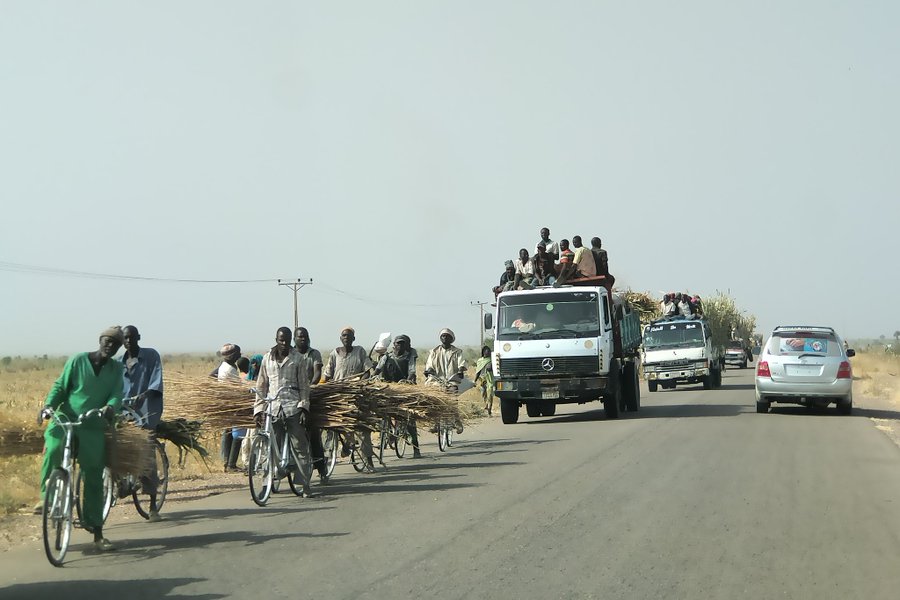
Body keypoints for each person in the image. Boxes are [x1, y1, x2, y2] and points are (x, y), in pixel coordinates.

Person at [36, 326, 125, 552]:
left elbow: (117, 393)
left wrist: (111, 407)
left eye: (115, 344)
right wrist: (48, 406)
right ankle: (46, 497)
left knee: (93, 473)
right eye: (107, 341)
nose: (110, 346)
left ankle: (96, 530)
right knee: (54, 446)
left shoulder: (116, 368)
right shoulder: (77, 361)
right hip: (66, 417)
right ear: (100, 340)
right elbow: (60, 386)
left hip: (93, 423)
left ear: (119, 347)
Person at [253, 326, 313, 496]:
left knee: (299, 446)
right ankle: (267, 483)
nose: (284, 343)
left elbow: (304, 385)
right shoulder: (267, 359)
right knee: (270, 447)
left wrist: (304, 407)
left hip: (292, 406)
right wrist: (258, 409)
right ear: (276, 340)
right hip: (272, 408)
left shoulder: (298, 358)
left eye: (287, 340)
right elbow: (261, 385)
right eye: (281, 340)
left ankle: (304, 484)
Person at [120, 325, 164, 522]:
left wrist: (144, 395)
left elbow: (156, 381)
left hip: (147, 411)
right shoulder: (117, 362)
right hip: (124, 411)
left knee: (147, 453)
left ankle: (153, 505)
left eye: (131, 337)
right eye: (125, 338)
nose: (128, 341)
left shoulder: (151, 356)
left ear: (138, 338)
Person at [323, 327, 376, 470]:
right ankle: (327, 460)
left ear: (354, 338)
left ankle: (369, 461)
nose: (346, 337)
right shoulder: (334, 353)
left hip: (356, 395)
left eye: (349, 335)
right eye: (344, 335)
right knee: (333, 427)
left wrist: (360, 383)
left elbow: (367, 371)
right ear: (340, 338)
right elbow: (328, 374)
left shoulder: (359, 351)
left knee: (362, 429)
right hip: (338, 396)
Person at [374, 334, 422, 458]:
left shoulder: (409, 356)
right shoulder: (387, 356)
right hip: (388, 387)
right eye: (397, 343)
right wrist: (372, 377)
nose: (399, 346)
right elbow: (378, 369)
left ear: (406, 345)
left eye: (402, 343)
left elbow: (412, 371)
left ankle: (416, 447)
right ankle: (385, 435)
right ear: (393, 344)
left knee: (409, 416)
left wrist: (408, 382)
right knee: (380, 411)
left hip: (405, 387)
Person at [294, 326, 329, 481]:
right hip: (292, 396)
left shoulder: (314, 354)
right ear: (294, 339)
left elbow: (317, 373)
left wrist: (308, 386)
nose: (303, 339)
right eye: (300, 336)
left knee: (313, 433)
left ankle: (321, 469)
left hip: (310, 395)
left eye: (305, 336)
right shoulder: (290, 354)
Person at [424, 328, 467, 434]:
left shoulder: (457, 352)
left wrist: (461, 370)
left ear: (451, 339)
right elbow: (429, 364)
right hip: (437, 380)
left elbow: (462, 363)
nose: (445, 338)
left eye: (447, 336)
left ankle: (457, 421)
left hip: (451, 379)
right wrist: (429, 370)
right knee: (434, 401)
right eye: (443, 336)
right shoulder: (434, 351)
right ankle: (435, 422)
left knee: (452, 400)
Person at [215, 343, 243, 472]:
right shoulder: (229, 370)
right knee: (237, 434)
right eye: (237, 353)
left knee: (228, 433)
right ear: (232, 355)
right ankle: (231, 464)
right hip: (232, 404)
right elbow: (237, 389)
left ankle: (226, 462)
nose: (240, 355)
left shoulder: (224, 367)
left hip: (225, 403)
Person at [474, 346, 495, 416]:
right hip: (482, 379)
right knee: (483, 393)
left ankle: (489, 408)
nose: (488, 352)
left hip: (490, 379)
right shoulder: (480, 361)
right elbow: (478, 371)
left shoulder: (492, 360)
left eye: (489, 351)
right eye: (486, 351)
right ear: (483, 352)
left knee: (490, 394)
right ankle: (486, 404)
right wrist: (475, 380)